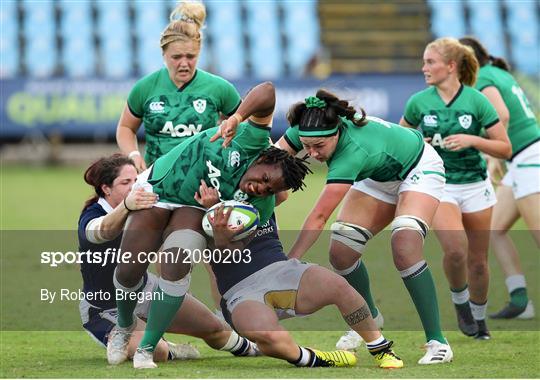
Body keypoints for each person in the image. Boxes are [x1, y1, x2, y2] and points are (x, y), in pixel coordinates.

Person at [108, 82, 312, 369]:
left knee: (177, 260)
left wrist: (217, 217)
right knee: (129, 268)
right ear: (264, 158)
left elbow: (232, 248)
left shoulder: (260, 206)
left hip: (193, 207)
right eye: (265, 179)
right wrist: (237, 117)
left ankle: (146, 347)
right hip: (159, 188)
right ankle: (124, 324)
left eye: (269, 190)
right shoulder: (251, 140)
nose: (260, 189)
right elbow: (267, 91)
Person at [276, 91, 453, 364]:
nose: (311, 154)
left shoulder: (352, 152)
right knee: (341, 252)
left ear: (336, 134)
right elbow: (270, 160)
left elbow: (319, 216)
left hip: (418, 167)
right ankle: (370, 317)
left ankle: (438, 341)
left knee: (405, 247)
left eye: (319, 147)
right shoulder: (308, 126)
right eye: (306, 146)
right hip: (378, 175)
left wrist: (291, 260)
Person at [196, 183, 404, 369]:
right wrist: (214, 216)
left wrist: (260, 183)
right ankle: (311, 357)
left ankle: (380, 348)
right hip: (241, 291)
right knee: (265, 335)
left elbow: (282, 194)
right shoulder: (195, 198)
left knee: (338, 286)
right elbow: (221, 258)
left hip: (282, 270)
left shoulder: (255, 181)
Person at [78, 154, 259, 364]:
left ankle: (256, 349)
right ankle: (172, 349)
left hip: (146, 290)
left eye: (136, 180)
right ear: (106, 189)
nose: (134, 187)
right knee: (158, 351)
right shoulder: (93, 214)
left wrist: (212, 207)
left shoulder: (146, 207)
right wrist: (126, 206)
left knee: (216, 329)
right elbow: (100, 231)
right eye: (125, 182)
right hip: (105, 307)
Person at [401, 37, 511, 339]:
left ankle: (479, 318)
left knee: (478, 262)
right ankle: (460, 303)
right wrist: (416, 144)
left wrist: (472, 140)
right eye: (424, 62)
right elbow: (401, 141)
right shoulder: (418, 102)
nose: (424, 68)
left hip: (476, 185)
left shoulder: (476, 100)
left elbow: (504, 147)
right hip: (441, 185)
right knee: (455, 250)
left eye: (430, 62)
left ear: (451, 66)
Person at [459, 36, 539, 320]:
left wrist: (492, 155)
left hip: (530, 159)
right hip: (522, 160)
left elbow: (501, 116)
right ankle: (519, 299)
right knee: (493, 229)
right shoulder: (497, 72)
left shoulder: (482, 78)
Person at [116, 0, 242, 172]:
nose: (184, 63)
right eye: (176, 57)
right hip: (156, 181)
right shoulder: (145, 88)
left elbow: (248, 123)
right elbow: (126, 128)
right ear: (164, 54)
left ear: (199, 52)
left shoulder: (219, 88)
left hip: (205, 180)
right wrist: (133, 154)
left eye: (190, 56)